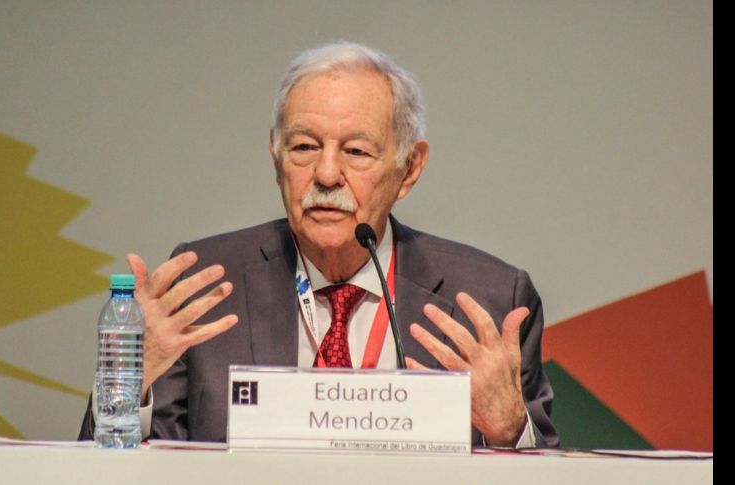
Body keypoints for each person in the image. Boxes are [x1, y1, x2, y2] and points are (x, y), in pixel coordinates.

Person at [79, 41, 559, 448]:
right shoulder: (202, 290)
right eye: (305, 147)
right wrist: (125, 386)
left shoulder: (489, 298)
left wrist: (508, 431)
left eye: (356, 151)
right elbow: (112, 465)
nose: (327, 174)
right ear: (275, 155)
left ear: (409, 167)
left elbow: (550, 472)